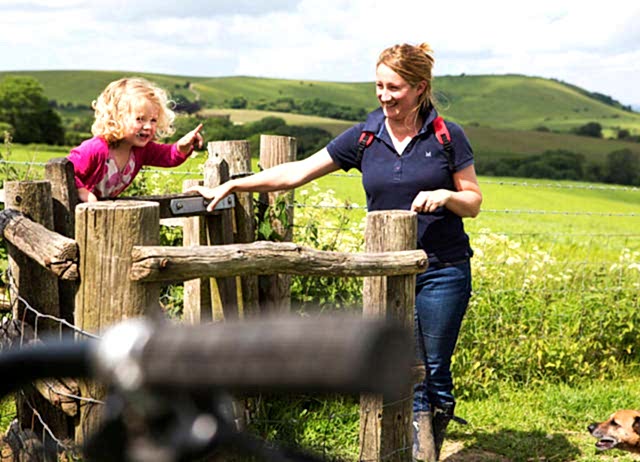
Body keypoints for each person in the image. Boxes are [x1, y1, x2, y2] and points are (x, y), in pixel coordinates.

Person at [187, 42, 482, 461]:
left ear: (420, 88)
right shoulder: (365, 137)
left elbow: (472, 201)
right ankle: (414, 452)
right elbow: (297, 172)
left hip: (443, 270)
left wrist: (444, 196)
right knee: (406, 365)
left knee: (433, 369)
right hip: (384, 270)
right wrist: (234, 184)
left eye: (394, 87)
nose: (384, 96)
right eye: (379, 86)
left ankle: (432, 424)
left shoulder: (447, 136)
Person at [68, 77, 204, 202]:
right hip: (70, 215)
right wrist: (82, 192)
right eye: (140, 119)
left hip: (99, 215)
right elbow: (64, 170)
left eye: (153, 120)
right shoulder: (96, 149)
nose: (148, 126)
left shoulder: (141, 150)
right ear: (116, 118)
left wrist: (182, 146)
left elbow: (167, 156)